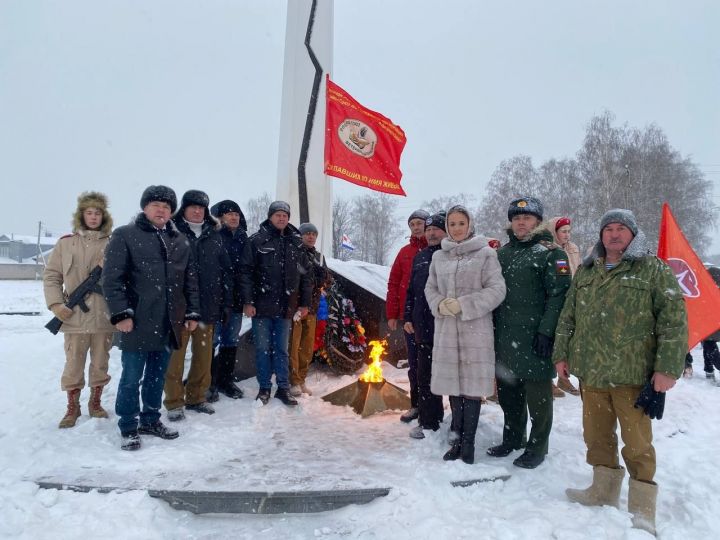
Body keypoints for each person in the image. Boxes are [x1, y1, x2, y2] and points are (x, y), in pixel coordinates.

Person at [553, 209, 687, 535]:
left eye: (621, 229)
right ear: (601, 235)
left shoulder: (653, 270)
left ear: (633, 233)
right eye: (608, 229)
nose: (614, 234)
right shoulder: (586, 272)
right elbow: (568, 317)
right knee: (596, 437)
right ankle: (602, 491)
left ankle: (643, 509)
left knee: (638, 443)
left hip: (633, 375)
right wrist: (561, 354)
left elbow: (674, 321)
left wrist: (667, 368)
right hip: (593, 374)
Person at [103, 185, 200, 451]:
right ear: (145, 208)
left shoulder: (180, 241)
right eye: (156, 205)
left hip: (169, 322)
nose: (161, 210)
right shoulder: (125, 235)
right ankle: (128, 426)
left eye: (167, 207)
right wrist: (121, 314)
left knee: (158, 376)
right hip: (136, 322)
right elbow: (112, 280)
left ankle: (150, 419)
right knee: (132, 377)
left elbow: (189, 281)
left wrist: (191, 311)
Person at [489, 197, 571, 469]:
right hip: (504, 338)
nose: (521, 222)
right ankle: (513, 439)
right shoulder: (502, 254)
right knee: (509, 395)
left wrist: (547, 332)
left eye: (527, 218)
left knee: (538, 400)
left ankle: (537, 447)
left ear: (537, 222)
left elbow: (559, 296)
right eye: (516, 218)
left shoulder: (551, 253)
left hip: (536, 338)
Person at [425, 206, 506, 463]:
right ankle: (456, 440)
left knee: (471, 389)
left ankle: (468, 444)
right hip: (447, 330)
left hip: (475, 331)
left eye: (461, 223)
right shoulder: (440, 257)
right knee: (453, 387)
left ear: (469, 225)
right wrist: (439, 303)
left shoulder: (485, 254)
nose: (457, 228)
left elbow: (497, 290)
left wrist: (465, 304)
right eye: (453, 224)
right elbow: (430, 288)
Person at [43, 192, 115, 428]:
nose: (93, 217)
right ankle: (72, 408)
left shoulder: (113, 243)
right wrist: (56, 305)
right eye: (89, 212)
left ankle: (95, 403)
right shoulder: (66, 243)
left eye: (97, 213)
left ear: (103, 216)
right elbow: (52, 276)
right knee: (73, 363)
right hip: (73, 316)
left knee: (101, 362)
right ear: (81, 215)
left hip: (104, 315)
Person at [163, 190, 233, 421]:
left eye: (201, 208)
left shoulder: (215, 235)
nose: (197, 211)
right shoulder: (171, 232)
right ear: (183, 209)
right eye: (192, 207)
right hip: (179, 309)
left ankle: (195, 397)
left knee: (203, 358)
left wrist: (224, 303)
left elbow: (225, 272)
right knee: (175, 359)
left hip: (208, 308)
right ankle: (174, 402)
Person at [239, 201, 312, 406]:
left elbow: (306, 277)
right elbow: (245, 273)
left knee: (282, 349)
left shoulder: (296, 243)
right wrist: (248, 301)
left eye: (285, 215)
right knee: (263, 349)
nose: (281, 218)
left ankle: (283, 387)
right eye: (278, 215)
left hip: (286, 307)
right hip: (261, 307)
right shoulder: (257, 240)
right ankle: (264, 388)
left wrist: (304, 304)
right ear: (270, 217)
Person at [403, 212, 448, 439]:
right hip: (423, 327)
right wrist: (407, 317)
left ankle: (458, 426)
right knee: (424, 375)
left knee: (451, 378)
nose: (431, 233)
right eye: (428, 229)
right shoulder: (420, 257)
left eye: (436, 229)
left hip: (448, 327)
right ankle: (429, 421)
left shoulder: (451, 254)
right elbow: (411, 291)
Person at [386, 209, 429, 423]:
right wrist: (392, 314)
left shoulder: (437, 250)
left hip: (434, 316)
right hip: (409, 317)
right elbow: (394, 284)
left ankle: (432, 406)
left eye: (420, 223)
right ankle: (416, 405)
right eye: (412, 224)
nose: (416, 227)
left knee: (432, 363)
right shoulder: (404, 253)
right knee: (414, 363)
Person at [207, 199, 248, 402]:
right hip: (217, 300)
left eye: (237, 214)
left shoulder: (243, 238)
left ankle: (225, 380)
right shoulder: (213, 236)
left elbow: (247, 271)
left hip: (237, 300)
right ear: (220, 217)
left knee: (231, 342)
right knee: (212, 341)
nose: (234, 217)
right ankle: (208, 382)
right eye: (230, 213)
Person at [289, 222, 332, 397]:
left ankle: (302, 379)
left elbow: (328, 282)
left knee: (307, 347)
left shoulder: (319, 256)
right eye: (307, 234)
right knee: (294, 345)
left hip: (312, 308)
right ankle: (293, 380)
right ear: (301, 236)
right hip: (297, 308)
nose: (311, 237)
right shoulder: (295, 253)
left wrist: (325, 276)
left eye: (314, 234)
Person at [547, 216, 582, 397]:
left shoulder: (573, 249)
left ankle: (564, 377)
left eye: (569, 231)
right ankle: (549, 380)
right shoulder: (548, 249)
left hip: (572, 298)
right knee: (553, 340)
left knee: (567, 339)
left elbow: (578, 270)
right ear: (555, 232)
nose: (567, 235)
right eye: (563, 231)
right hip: (555, 298)